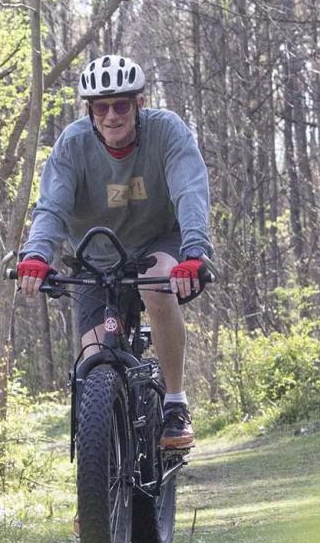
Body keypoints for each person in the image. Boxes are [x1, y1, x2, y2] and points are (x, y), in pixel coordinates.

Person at [15, 53, 212, 450]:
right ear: (89, 111)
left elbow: (190, 189)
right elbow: (51, 206)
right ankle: (98, 497)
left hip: (159, 242)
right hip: (94, 258)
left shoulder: (166, 132)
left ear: (139, 104)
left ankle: (175, 404)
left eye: (121, 105)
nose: (111, 116)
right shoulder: (73, 144)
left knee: (154, 287)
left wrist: (195, 251)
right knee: (91, 365)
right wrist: (36, 256)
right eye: (100, 107)